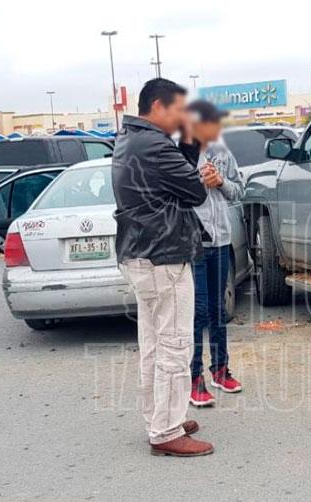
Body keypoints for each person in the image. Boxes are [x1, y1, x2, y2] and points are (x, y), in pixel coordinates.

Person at [112, 78, 214, 457]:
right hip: (163, 254)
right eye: (178, 110)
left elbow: (176, 185)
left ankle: (159, 419)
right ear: (157, 106)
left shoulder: (130, 139)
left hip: (142, 252)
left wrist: (186, 144)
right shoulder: (154, 145)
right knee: (174, 344)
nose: (182, 117)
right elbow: (194, 191)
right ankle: (166, 431)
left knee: (154, 345)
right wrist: (193, 144)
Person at [183, 100, 245, 407]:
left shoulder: (221, 152)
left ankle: (221, 369)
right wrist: (197, 181)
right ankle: (194, 378)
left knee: (218, 309)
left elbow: (240, 190)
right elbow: (175, 195)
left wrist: (220, 182)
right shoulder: (179, 153)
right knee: (197, 313)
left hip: (221, 241)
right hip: (194, 244)